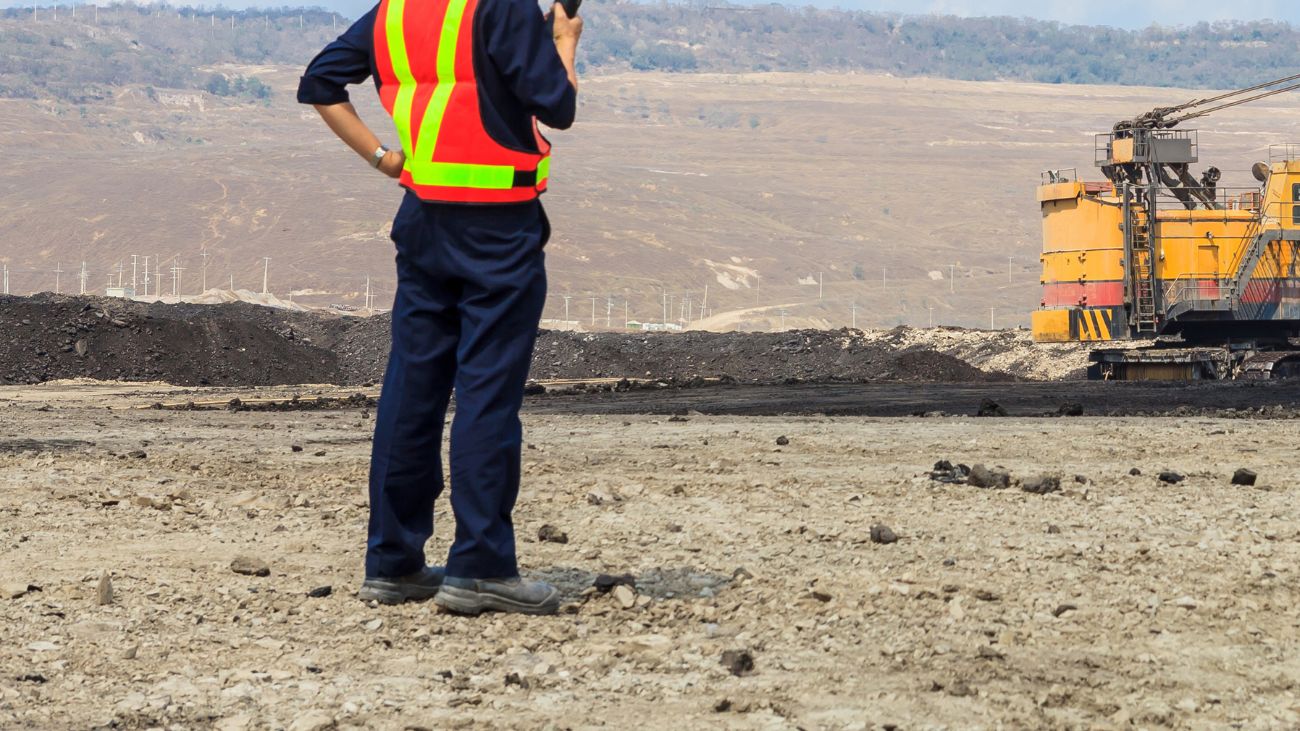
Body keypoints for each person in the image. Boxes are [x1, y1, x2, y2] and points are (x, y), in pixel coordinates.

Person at [297, 0, 583, 615]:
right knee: (486, 392)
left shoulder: (394, 11)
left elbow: (319, 82)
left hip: (424, 219)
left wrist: (383, 157)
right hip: (499, 228)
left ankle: (393, 564)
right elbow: (558, 106)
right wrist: (563, 39)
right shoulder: (504, 7)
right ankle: (479, 566)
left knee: (412, 388)